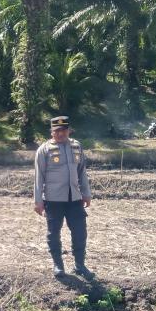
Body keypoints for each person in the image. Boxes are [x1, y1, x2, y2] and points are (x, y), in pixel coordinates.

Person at [34, 116, 94, 280]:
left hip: (74, 199)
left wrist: (86, 193)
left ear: (69, 130)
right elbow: (38, 177)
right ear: (52, 132)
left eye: (63, 130)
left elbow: (82, 171)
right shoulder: (44, 150)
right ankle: (58, 266)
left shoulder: (76, 146)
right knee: (53, 233)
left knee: (80, 232)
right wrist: (38, 200)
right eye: (56, 131)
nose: (60, 134)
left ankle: (80, 265)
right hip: (53, 200)